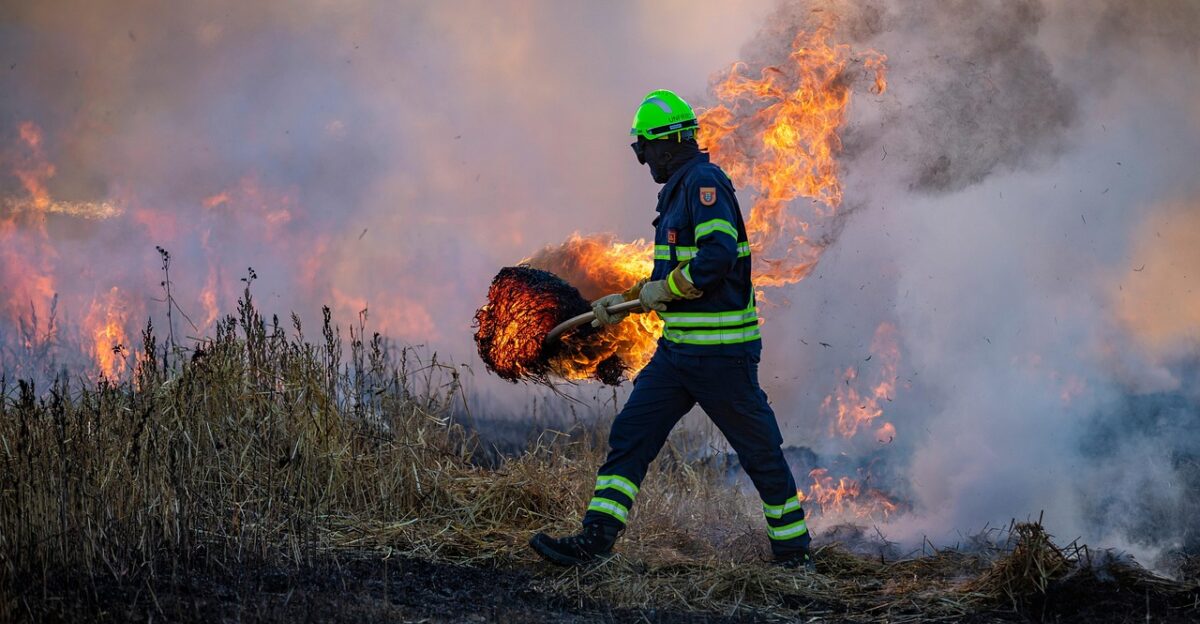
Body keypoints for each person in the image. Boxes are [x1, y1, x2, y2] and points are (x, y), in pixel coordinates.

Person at [528, 89, 813, 569]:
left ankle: (793, 556)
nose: (646, 164)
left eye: (646, 152)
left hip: (722, 357)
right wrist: (633, 298)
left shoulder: (704, 184)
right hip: (678, 355)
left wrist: (667, 288)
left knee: (759, 452)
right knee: (631, 435)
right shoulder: (679, 190)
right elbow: (673, 278)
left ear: (666, 144)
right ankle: (593, 543)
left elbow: (716, 259)